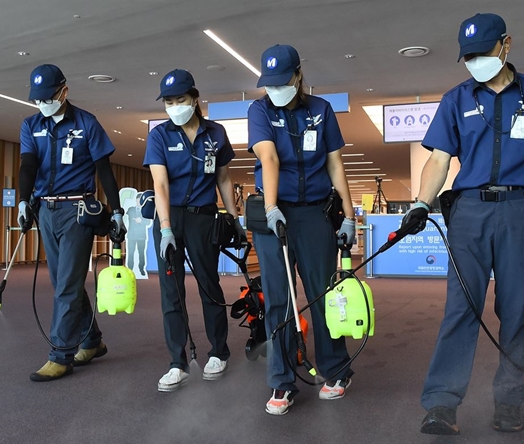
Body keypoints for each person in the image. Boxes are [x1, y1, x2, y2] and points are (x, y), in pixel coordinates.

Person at [401, 13, 524, 434]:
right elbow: (439, 159)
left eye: (483, 53)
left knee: (516, 308)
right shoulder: (456, 99)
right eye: (468, 57)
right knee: (460, 307)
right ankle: (442, 404)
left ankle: (508, 400)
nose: (475, 63)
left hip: (523, 209)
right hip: (469, 211)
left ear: (506, 44)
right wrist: (420, 204)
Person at [247, 44, 357, 415]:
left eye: (282, 81)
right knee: (278, 298)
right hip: (273, 214)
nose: (275, 89)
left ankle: (336, 370)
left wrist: (349, 214)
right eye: (270, 83)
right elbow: (269, 157)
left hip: (313, 214)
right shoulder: (259, 110)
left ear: (298, 76)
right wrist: (272, 206)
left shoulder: (321, 110)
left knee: (323, 294)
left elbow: (335, 165)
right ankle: (282, 381)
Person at [18, 64, 126, 382]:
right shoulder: (31, 125)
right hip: (46, 211)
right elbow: (28, 165)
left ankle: (60, 355)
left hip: (78, 211)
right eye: (37, 99)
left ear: (64, 92)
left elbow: (104, 170)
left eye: (47, 97)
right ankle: (92, 340)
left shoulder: (86, 123)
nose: (42, 104)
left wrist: (117, 211)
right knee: (65, 282)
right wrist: (24, 201)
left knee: (65, 285)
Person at [143, 69, 244, 392]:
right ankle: (177, 362)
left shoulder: (216, 133)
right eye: (169, 102)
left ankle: (219, 351)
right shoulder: (159, 135)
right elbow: (159, 183)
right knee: (171, 294)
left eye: (180, 100)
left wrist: (234, 218)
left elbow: (224, 179)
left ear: (195, 99)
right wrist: (166, 227)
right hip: (169, 219)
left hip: (204, 218)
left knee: (209, 286)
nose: (174, 106)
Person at [125, 193, 152, 275]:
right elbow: (130, 216)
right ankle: (130, 269)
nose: (139, 202)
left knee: (141, 253)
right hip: (131, 235)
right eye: (138, 200)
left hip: (141, 236)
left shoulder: (145, 210)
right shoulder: (131, 209)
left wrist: (141, 221)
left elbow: (148, 221)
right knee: (130, 253)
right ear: (136, 200)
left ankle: (141, 269)